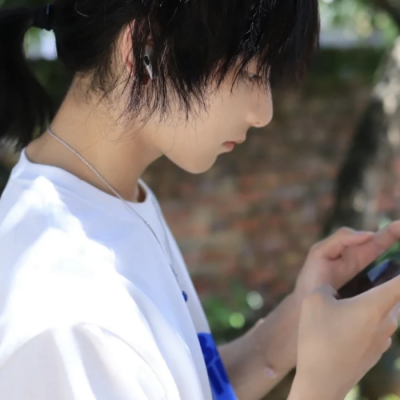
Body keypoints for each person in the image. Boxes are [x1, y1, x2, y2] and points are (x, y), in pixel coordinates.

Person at [1, 1, 400, 400]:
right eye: (250, 72)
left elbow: (177, 384)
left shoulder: (109, 198)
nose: (263, 112)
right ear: (146, 50)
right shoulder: (68, 319)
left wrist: (293, 323)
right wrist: (322, 385)